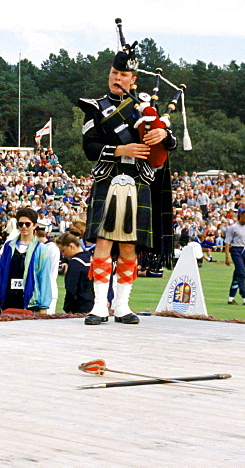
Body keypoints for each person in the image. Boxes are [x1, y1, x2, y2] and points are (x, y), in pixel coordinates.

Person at [76, 35, 176, 325]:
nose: (116, 79)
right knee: (104, 243)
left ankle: (122, 306)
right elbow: (89, 149)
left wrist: (163, 136)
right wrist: (121, 149)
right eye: (113, 73)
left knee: (130, 247)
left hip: (138, 182)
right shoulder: (95, 107)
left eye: (122, 75)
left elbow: (168, 146)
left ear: (133, 80)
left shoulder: (146, 110)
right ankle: (98, 306)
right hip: (109, 179)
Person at [0, 207, 52, 314]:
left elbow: (44, 277)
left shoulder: (41, 249)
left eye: (27, 224)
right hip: (9, 300)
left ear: (34, 225)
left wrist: (44, 306)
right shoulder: (9, 247)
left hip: (30, 302)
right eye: (21, 224)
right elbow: (0, 272)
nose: (24, 227)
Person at [54, 232, 94, 314]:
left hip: (79, 306)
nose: (64, 254)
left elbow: (71, 288)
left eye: (63, 250)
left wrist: (68, 308)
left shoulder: (75, 262)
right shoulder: (91, 258)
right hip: (95, 304)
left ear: (71, 246)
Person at [223, 211, 245, 306]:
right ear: (240, 217)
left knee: (237, 275)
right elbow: (227, 242)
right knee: (242, 273)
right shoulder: (233, 227)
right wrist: (227, 257)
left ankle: (231, 298)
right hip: (236, 250)